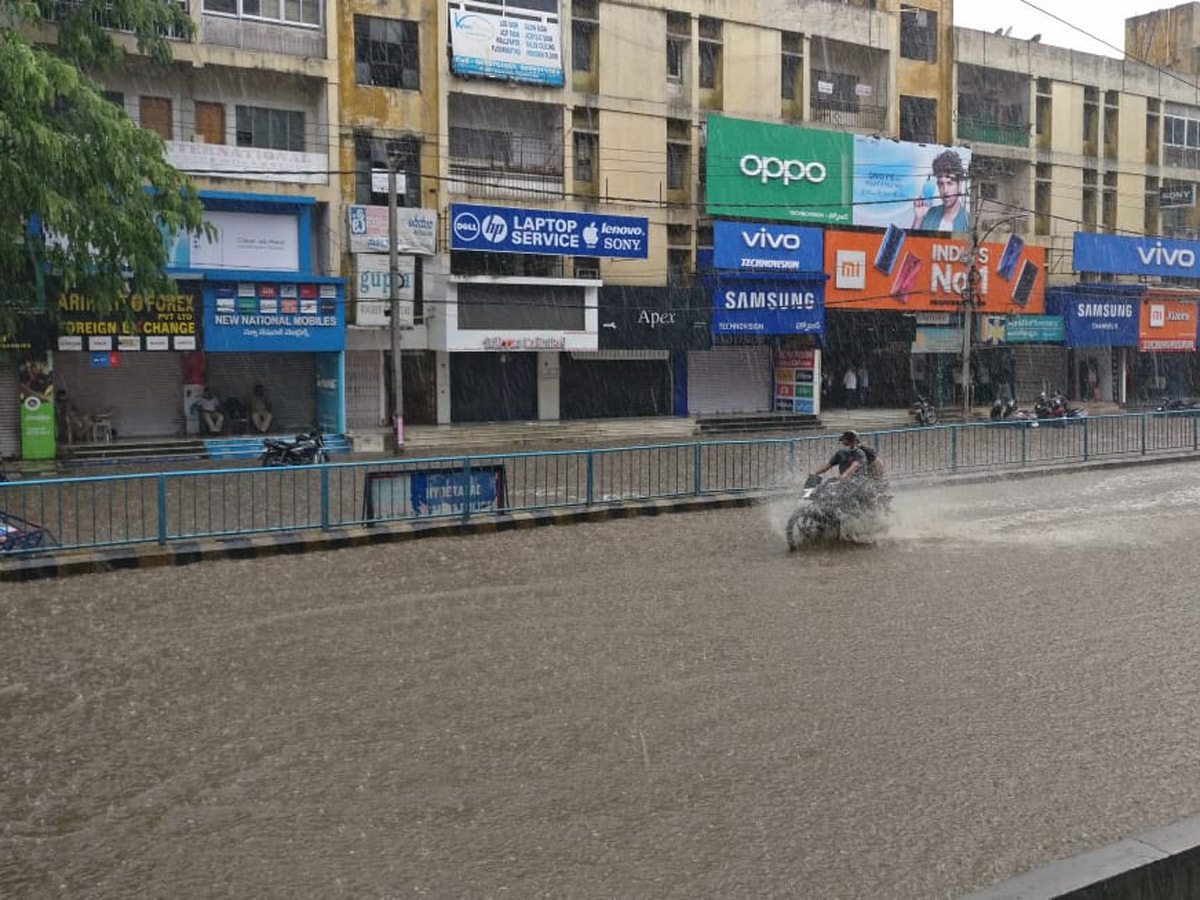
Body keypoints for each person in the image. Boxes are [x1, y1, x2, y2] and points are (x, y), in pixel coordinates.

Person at [913, 149, 970, 233]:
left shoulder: (967, 222)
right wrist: (919, 218)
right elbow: (912, 244)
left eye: (950, 183)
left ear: (959, 185)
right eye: (941, 184)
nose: (945, 190)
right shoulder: (930, 214)